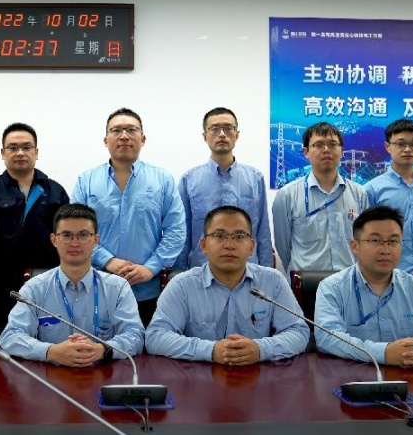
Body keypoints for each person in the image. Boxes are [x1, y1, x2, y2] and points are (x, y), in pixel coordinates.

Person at [146, 206, 308, 364]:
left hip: (258, 375)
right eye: (219, 236)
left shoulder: (273, 281)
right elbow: (155, 336)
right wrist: (210, 350)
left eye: (239, 236)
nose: (229, 245)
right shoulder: (182, 285)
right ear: (203, 245)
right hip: (198, 377)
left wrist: (261, 349)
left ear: (251, 247)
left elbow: (298, 332)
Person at [72, 107, 186, 325]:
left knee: (148, 346)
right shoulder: (86, 181)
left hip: (148, 291)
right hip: (98, 288)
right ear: (105, 140)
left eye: (131, 130)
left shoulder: (162, 179)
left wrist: (150, 268)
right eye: (116, 130)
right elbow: (76, 231)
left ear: (143, 139)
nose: (124, 136)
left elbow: (176, 230)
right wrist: (108, 261)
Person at [314, 206, 413, 366]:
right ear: (355, 246)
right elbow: (327, 338)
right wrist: (383, 353)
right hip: (354, 375)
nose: (385, 250)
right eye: (375, 241)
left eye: (393, 241)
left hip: (409, 376)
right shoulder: (332, 288)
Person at [0, 204, 144, 367]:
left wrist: (102, 350)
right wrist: (51, 352)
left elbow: (136, 336)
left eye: (83, 235)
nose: (74, 243)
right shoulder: (34, 288)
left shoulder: (118, 288)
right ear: (54, 240)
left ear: (95, 240)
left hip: (103, 375)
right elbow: (10, 337)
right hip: (50, 375)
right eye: (66, 235)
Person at [0, 123, 69, 339]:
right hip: (2, 282)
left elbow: (67, 241)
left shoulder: (55, 191)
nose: (20, 153)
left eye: (27, 147)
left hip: (46, 278)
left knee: (47, 340)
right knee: (4, 341)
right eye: (13, 148)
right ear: (3, 153)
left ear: (36, 152)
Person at [177, 107, 273, 269]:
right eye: (214, 129)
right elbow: (182, 232)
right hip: (201, 269)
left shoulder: (255, 178)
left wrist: (267, 272)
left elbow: (263, 231)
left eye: (228, 128)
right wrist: (179, 273)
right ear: (205, 136)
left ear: (237, 135)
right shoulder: (189, 180)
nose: (222, 134)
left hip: (248, 269)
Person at [272, 122, 369, 271]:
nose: (326, 150)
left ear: (342, 151)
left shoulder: (359, 193)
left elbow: (364, 240)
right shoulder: (287, 195)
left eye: (333, 144)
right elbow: (283, 247)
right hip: (307, 281)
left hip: (349, 279)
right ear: (306, 152)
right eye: (318, 145)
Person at [364, 118, 413, 272]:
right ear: (387, 147)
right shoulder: (372, 189)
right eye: (400, 144)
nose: (407, 149)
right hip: (392, 272)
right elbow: (367, 237)